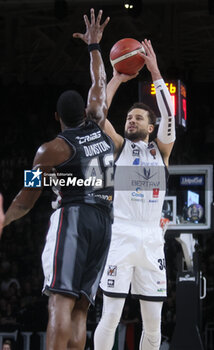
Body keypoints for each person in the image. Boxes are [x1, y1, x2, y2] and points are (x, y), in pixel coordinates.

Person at [2, 9, 113, 350]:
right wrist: (94, 46)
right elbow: (99, 83)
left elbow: (27, 195)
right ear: (85, 112)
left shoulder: (50, 150)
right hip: (105, 220)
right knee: (80, 309)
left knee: (59, 303)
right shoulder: (98, 123)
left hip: (75, 217)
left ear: (55, 117)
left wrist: (4, 220)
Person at [94, 39, 175, 350]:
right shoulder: (120, 148)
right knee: (110, 316)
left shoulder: (162, 152)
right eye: (129, 117)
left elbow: (168, 115)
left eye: (138, 118)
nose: (131, 120)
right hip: (121, 236)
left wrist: (154, 71)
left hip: (152, 241)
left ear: (151, 127)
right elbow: (98, 116)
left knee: (153, 324)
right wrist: (115, 78)